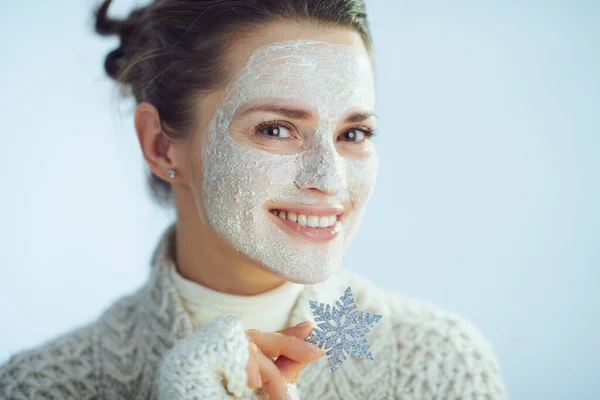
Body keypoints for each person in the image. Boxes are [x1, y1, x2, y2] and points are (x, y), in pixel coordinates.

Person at [0, 0, 507, 399]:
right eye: (276, 129)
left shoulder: (440, 365)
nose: (329, 180)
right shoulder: (41, 387)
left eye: (354, 133)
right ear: (160, 144)